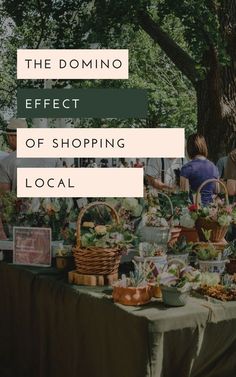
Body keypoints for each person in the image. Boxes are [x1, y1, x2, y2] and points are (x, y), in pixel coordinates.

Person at [0, 118, 61, 193]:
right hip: (50, 204)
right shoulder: (53, 157)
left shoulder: (6, 162)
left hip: (23, 204)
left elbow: (5, 198)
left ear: (11, 138)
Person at [180, 133, 219, 205]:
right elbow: (217, 190)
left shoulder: (187, 168)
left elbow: (183, 195)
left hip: (194, 210)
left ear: (189, 148)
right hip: (211, 210)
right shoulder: (214, 167)